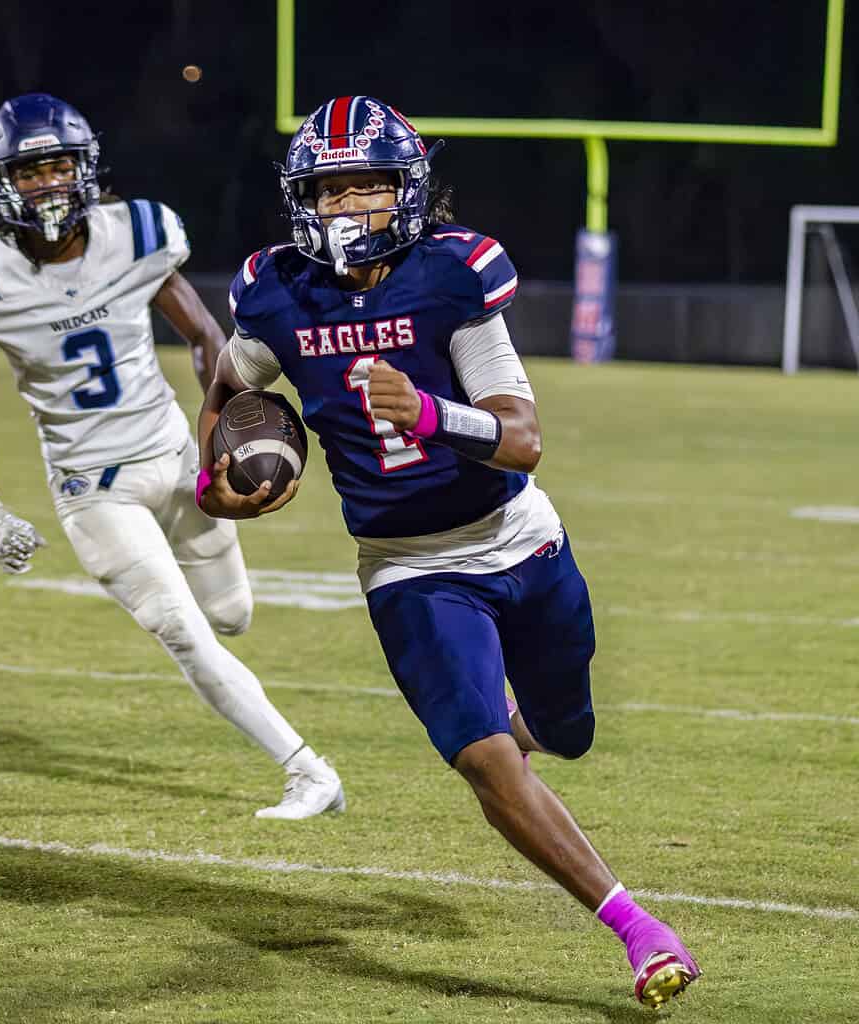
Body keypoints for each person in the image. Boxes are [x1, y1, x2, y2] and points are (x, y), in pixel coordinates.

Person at [197, 96, 700, 1006]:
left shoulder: (452, 274)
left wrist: (428, 414)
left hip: (518, 538)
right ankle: (638, 930)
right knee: (483, 757)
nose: (351, 207)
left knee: (567, 733)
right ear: (301, 199)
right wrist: (218, 479)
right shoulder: (275, 292)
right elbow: (231, 387)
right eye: (331, 189)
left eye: (370, 186)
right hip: (407, 564)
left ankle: (511, 710)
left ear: (410, 188)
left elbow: (521, 439)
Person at [0, 93, 344, 821]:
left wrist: (226, 432)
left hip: (178, 459)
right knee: (182, 630)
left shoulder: (139, 233)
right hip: (94, 491)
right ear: (4, 183)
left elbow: (204, 337)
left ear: (87, 168)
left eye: (60, 165)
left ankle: (289, 745)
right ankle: (308, 771)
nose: (49, 184)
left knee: (233, 615)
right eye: (31, 172)